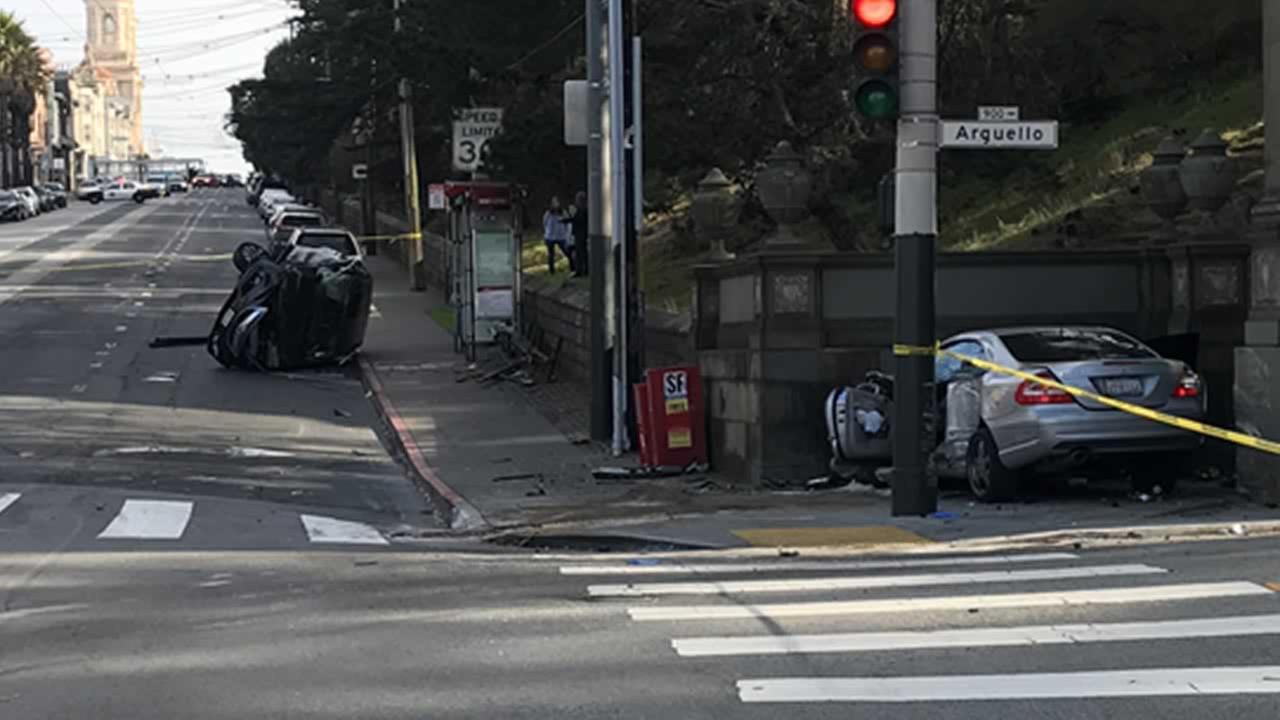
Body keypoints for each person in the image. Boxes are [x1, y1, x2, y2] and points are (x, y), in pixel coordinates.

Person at [542, 196, 570, 274]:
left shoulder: (563, 212)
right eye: (554, 203)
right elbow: (544, 222)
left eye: (557, 203)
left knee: (566, 251)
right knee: (551, 254)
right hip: (550, 237)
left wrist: (566, 233)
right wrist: (546, 232)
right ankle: (552, 271)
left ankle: (573, 266)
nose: (555, 204)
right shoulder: (548, 213)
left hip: (561, 236)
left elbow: (567, 222)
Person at [566, 191, 589, 277]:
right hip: (578, 233)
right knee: (580, 252)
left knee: (581, 252)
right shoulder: (580, 210)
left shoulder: (583, 210)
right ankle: (581, 269)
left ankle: (582, 270)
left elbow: (579, 221)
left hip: (581, 234)